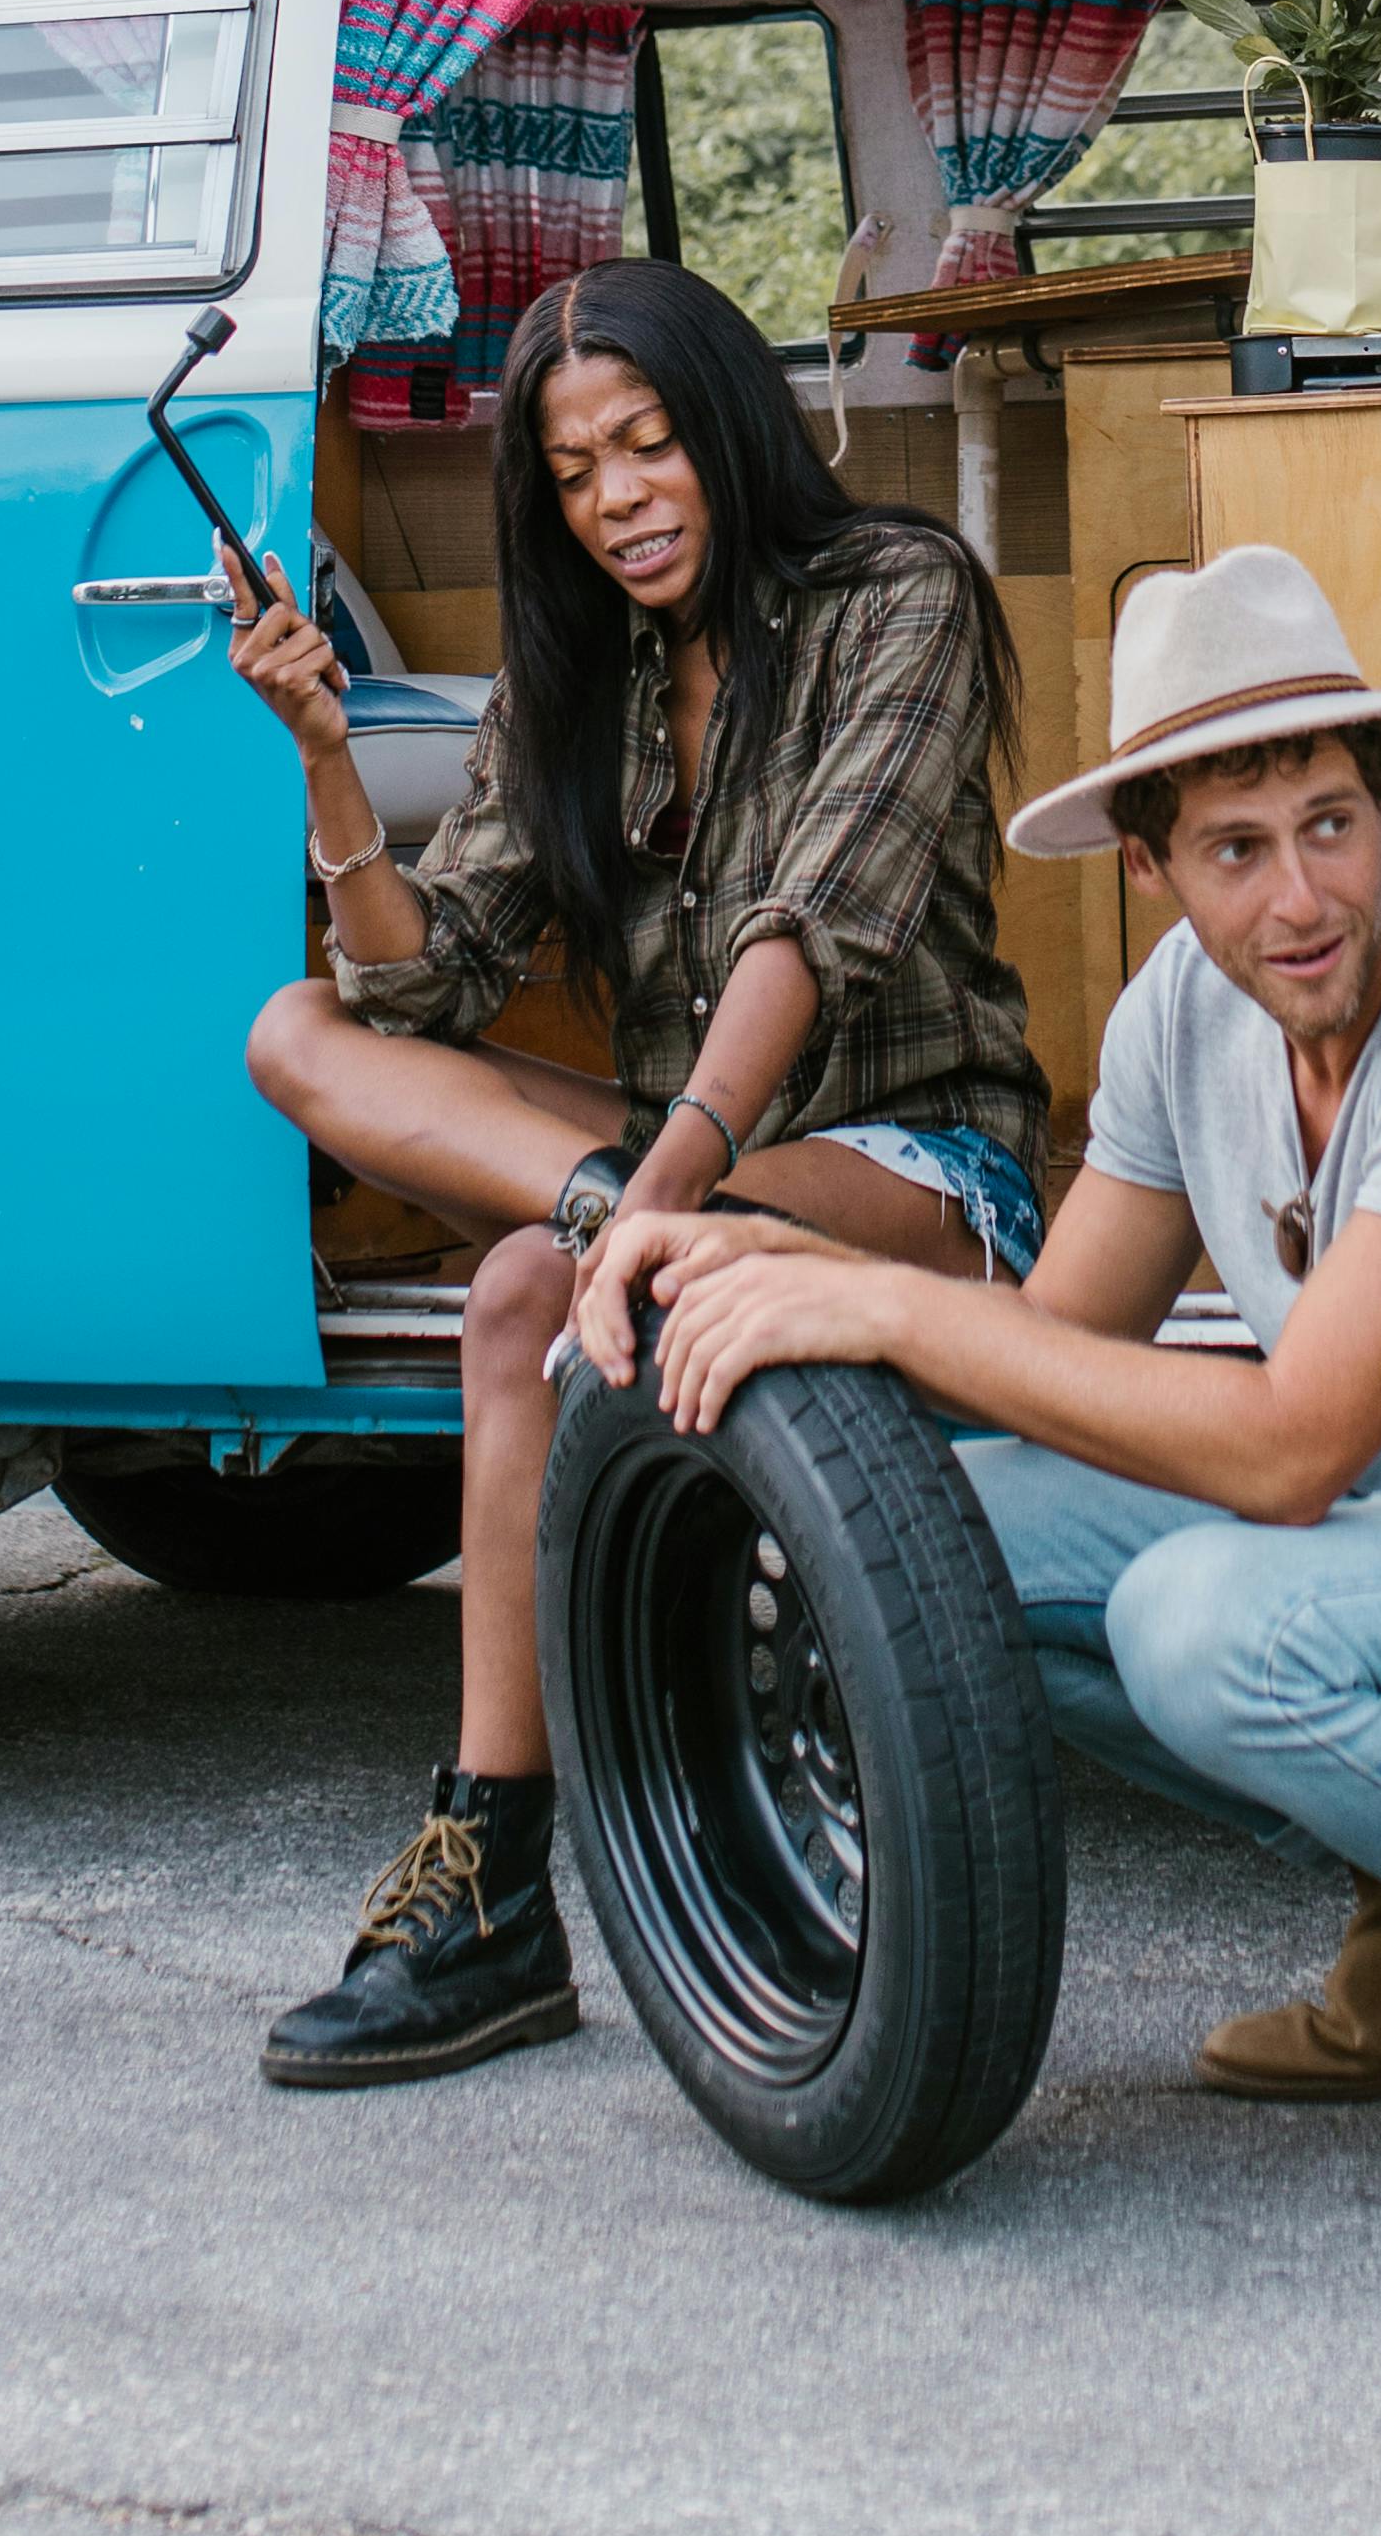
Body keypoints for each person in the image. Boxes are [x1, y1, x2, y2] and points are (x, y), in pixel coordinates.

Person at [579, 543, 1381, 2225]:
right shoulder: (1188, 1012)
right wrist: (746, 1261)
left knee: (1203, 1616)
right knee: (945, 1546)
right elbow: (1062, 1352)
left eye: (1331, 822)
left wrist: (882, 1304)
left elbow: (1286, 1450)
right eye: (1237, 849)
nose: (1300, 897)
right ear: (1152, 862)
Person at [229, 257, 1050, 2091]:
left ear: (728, 424)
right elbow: (421, 975)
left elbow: (809, 931)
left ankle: (491, 1885)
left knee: (531, 1287)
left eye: (649, 441)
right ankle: (502, 1902)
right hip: (672, 1163)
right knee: (297, 1032)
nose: (618, 495)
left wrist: (661, 1179)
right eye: (577, 466)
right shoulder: (576, 677)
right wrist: (327, 751)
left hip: (912, 1157)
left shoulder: (894, 595)